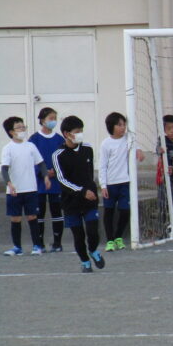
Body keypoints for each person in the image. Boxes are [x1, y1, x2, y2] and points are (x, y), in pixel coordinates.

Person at [52, 116, 105, 273]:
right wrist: (82, 191)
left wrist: (91, 189)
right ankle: (85, 261)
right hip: (71, 202)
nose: (80, 134)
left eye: (81, 131)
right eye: (77, 131)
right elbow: (62, 180)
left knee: (93, 231)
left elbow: (89, 174)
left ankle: (93, 250)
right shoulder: (58, 155)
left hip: (90, 200)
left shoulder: (87, 148)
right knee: (78, 235)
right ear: (66, 134)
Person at [2, 116, 49, 256]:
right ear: (11, 131)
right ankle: (17, 247)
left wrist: (46, 176)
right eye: (19, 127)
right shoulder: (8, 148)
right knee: (15, 218)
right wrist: (9, 183)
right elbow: (4, 169)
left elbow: (41, 163)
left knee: (32, 216)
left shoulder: (30, 146)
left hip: (31, 189)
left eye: (23, 127)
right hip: (14, 190)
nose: (22, 130)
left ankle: (37, 246)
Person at [99, 111, 144, 251]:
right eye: (119, 125)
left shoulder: (128, 139)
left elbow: (137, 149)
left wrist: (139, 152)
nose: (122, 127)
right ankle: (110, 240)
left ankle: (118, 237)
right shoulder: (106, 144)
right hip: (110, 184)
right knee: (109, 212)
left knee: (125, 210)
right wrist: (103, 185)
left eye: (124, 124)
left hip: (125, 183)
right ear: (111, 126)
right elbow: (102, 165)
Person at [29, 107, 65, 252]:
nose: (53, 121)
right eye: (51, 118)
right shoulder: (34, 139)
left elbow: (64, 158)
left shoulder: (59, 139)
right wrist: (42, 173)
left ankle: (57, 243)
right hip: (39, 183)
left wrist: (56, 172)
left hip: (56, 182)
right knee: (40, 213)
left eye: (55, 118)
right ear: (42, 120)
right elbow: (31, 159)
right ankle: (40, 243)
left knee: (57, 212)